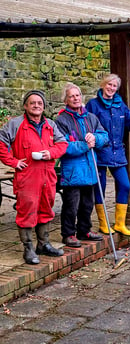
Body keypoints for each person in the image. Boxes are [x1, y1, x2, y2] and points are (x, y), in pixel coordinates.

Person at [0, 90, 68, 264]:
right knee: (27, 211)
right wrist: (13, 162)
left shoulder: (50, 125)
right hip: (27, 177)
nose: (36, 105)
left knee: (46, 208)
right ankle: (28, 248)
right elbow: (1, 143)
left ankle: (43, 244)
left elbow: (62, 144)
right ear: (25, 105)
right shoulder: (15, 124)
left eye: (39, 103)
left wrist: (50, 153)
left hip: (47, 175)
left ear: (43, 106)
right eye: (32, 103)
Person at [55, 83, 108, 247]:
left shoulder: (90, 117)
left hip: (90, 168)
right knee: (71, 204)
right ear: (65, 100)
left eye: (77, 95)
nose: (75, 98)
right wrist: (85, 145)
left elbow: (104, 135)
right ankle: (68, 234)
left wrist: (96, 139)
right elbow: (62, 146)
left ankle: (84, 230)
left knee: (87, 203)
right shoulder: (61, 120)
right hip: (73, 171)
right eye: (71, 96)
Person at [85, 74, 130, 236]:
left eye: (114, 86)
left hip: (117, 151)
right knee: (100, 188)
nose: (111, 88)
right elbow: (87, 125)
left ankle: (120, 223)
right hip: (100, 152)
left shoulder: (120, 105)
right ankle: (103, 223)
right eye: (109, 85)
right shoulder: (93, 105)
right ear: (103, 85)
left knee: (125, 184)